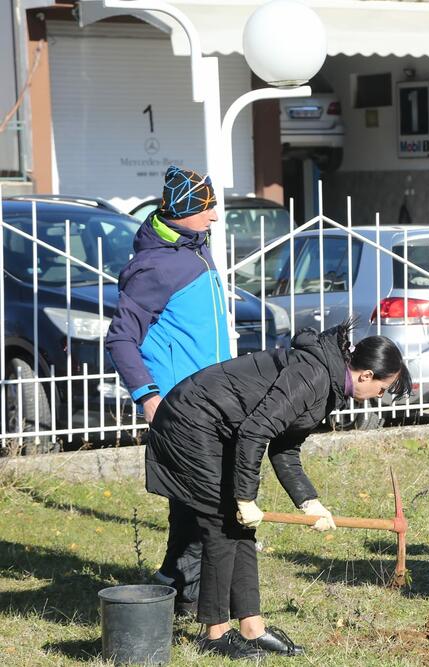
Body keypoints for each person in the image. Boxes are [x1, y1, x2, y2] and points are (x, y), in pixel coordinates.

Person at [145, 324, 411, 659]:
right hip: (191, 422)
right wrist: (244, 497)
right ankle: (214, 633)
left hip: (217, 426)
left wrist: (309, 501)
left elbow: (283, 448)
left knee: (240, 525)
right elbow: (257, 431)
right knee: (221, 523)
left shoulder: (327, 384)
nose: (379, 396)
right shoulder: (313, 375)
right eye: (382, 388)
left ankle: (252, 627)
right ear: (366, 375)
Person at [106, 165, 229, 616]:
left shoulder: (194, 248)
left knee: (191, 508)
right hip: (182, 406)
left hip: (214, 400)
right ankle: (193, 600)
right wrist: (148, 397)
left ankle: (173, 588)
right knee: (207, 506)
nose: (215, 216)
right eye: (206, 208)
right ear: (181, 211)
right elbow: (121, 338)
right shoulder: (156, 266)